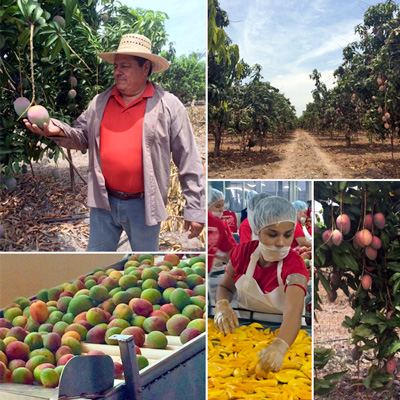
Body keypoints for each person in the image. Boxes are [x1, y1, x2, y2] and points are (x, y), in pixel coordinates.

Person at [23, 34, 205, 251]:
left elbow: (188, 158)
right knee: (97, 263)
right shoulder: (100, 102)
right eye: (116, 66)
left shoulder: (168, 106)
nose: (117, 72)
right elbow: (82, 136)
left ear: (145, 67)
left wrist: (195, 209)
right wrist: (57, 130)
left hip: (145, 205)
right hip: (103, 201)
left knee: (143, 268)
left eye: (125, 66)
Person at [213, 196, 309, 374]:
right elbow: (225, 287)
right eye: (272, 234)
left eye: (288, 235)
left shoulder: (295, 264)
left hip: (287, 335)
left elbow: (293, 313)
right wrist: (222, 304)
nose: (281, 242)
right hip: (244, 335)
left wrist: (279, 347)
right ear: (257, 230)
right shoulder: (242, 253)